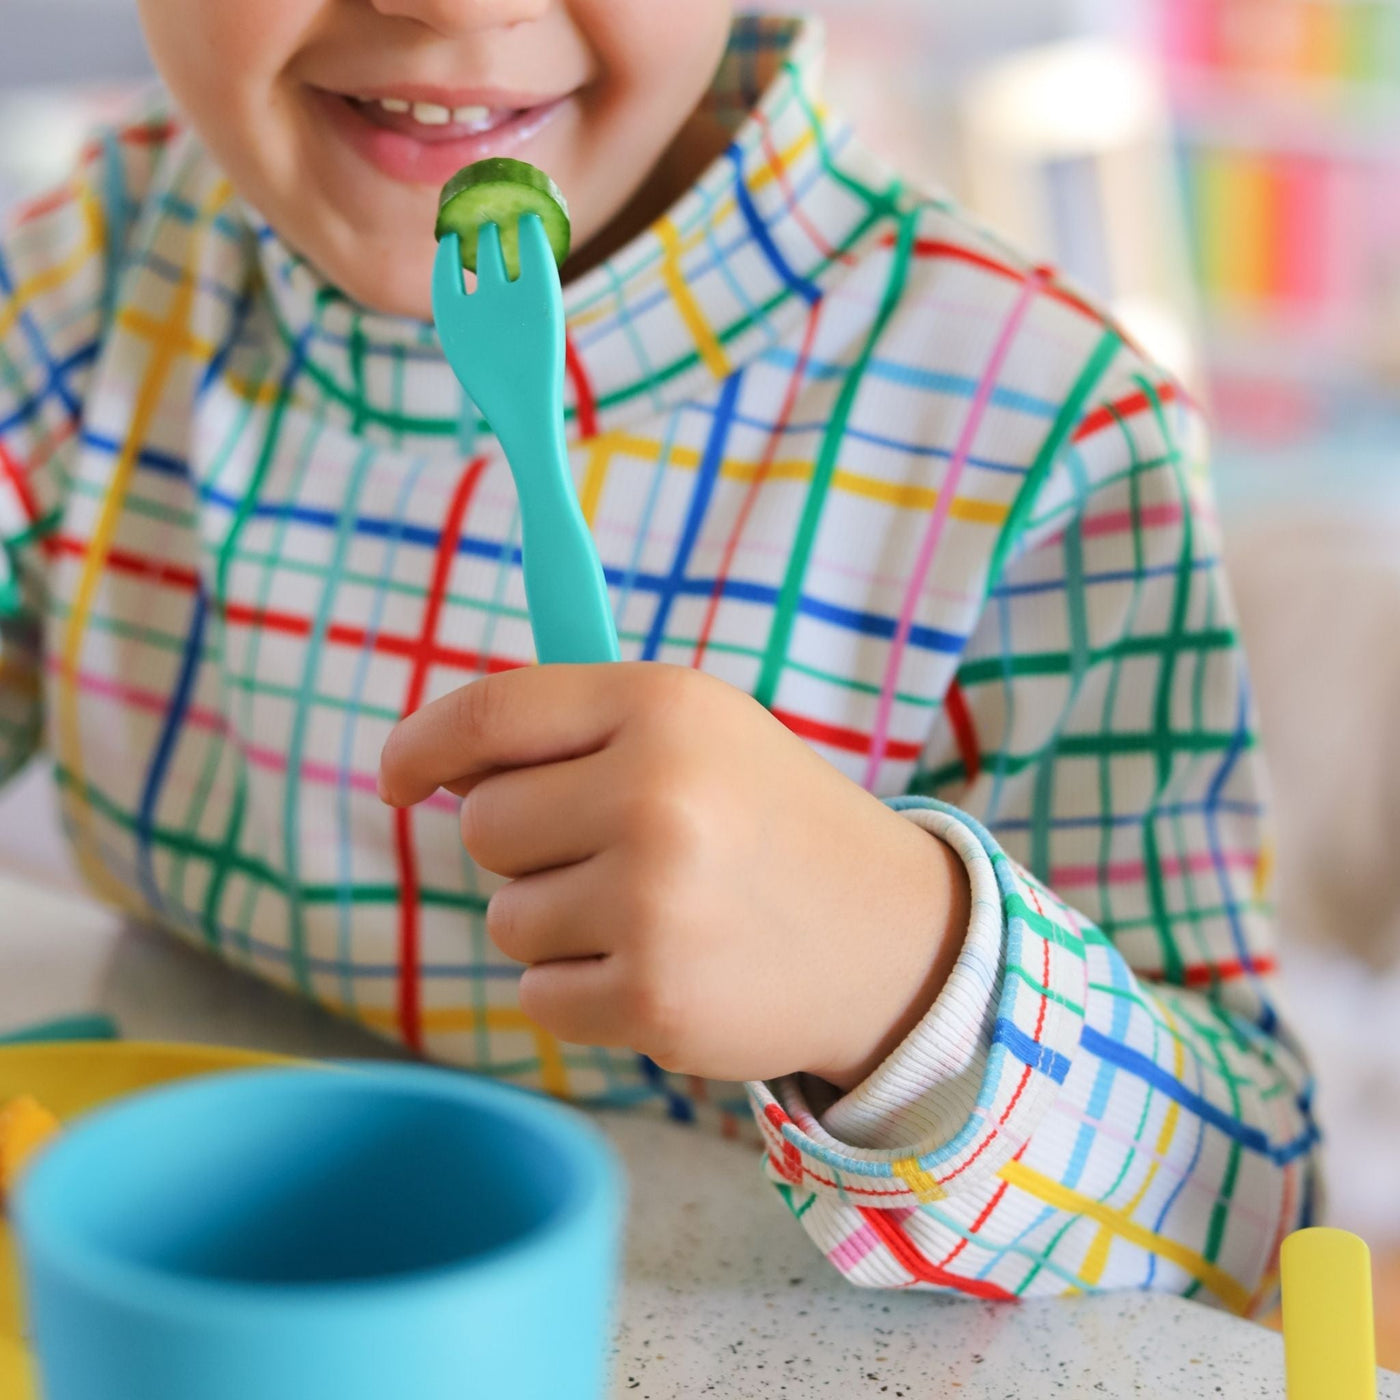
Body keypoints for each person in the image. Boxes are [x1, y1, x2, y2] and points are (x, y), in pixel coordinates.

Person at [0, 0, 1317, 1306]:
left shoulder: (1044, 434)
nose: (454, 9)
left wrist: (896, 971)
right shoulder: (113, 241)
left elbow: (1246, 1229)